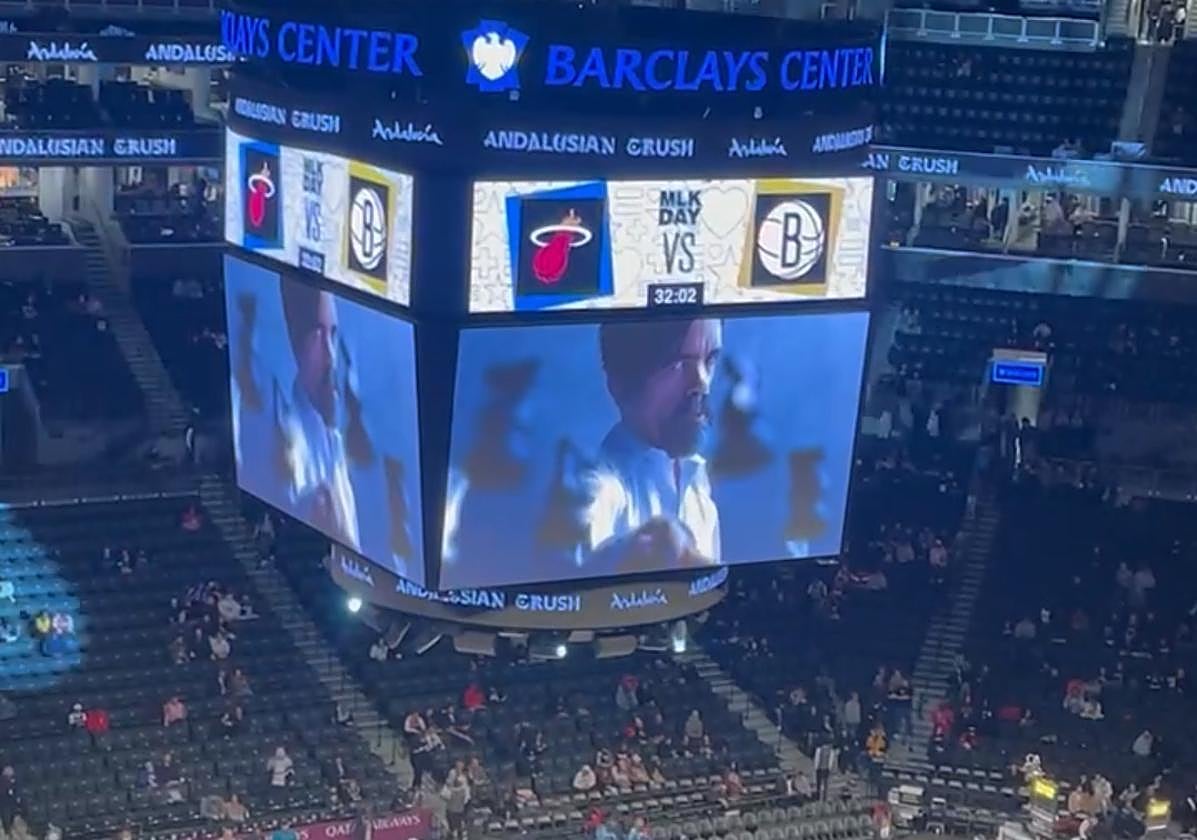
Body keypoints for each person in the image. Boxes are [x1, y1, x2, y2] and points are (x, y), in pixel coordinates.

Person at [570, 319, 724, 574]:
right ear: (620, 382)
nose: (702, 382)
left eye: (710, 360)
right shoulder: (595, 498)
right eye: (677, 364)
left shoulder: (697, 482)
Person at [275, 283, 360, 549]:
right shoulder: (281, 439)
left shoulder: (334, 437)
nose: (331, 356)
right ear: (293, 339)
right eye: (317, 336)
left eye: (333, 335)